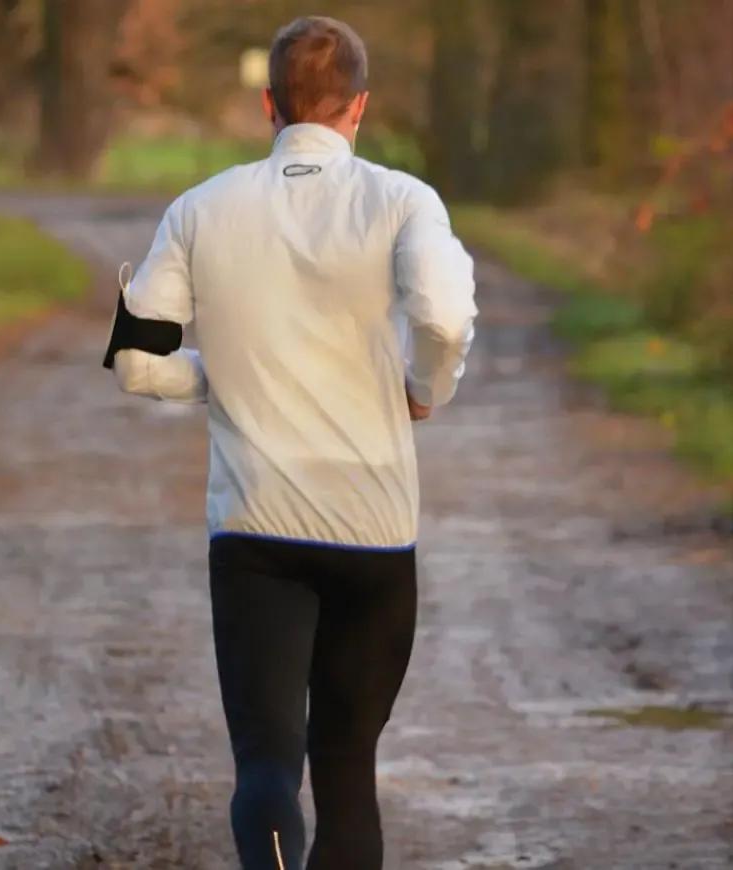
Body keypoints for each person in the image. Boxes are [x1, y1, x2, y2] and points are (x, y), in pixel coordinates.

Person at [104, 15, 476, 870]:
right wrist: (424, 388)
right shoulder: (401, 200)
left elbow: (134, 363)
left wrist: (221, 374)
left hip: (255, 531)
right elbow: (444, 317)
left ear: (267, 103)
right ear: (359, 108)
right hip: (374, 527)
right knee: (347, 769)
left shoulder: (200, 208)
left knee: (266, 768)